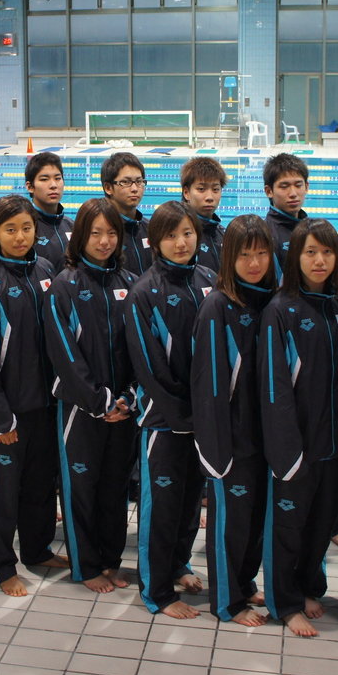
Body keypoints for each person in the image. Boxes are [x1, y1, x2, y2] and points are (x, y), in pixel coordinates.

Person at [0, 195, 68, 596]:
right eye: (10, 230)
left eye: (26, 228)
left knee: (40, 485)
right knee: (3, 493)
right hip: (8, 412)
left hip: (44, 404)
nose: (21, 236)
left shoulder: (44, 270)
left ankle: (38, 549)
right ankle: (1, 565)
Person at [259, 218, 338, 637]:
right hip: (297, 445)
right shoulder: (281, 310)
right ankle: (284, 602)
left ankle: (309, 587)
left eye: (327, 252)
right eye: (310, 252)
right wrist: (286, 451)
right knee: (288, 529)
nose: (319, 260)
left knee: (320, 525)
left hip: (333, 443)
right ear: (295, 257)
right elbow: (274, 387)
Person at [127, 200, 217, 619]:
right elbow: (149, 368)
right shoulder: (144, 293)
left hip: (203, 421)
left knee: (189, 504)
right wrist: (184, 416)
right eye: (170, 236)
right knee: (160, 509)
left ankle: (179, 564)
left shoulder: (208, 280)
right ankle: (157, 591)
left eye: (187, 233)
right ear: (154, 242)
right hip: (163, 422)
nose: (181, 243)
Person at [44, 198, 137, 594]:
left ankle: (111, 559)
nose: (104, 241)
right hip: (80, 410)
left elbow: (139, 350)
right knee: (81, 490)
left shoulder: (130, 283)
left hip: (123, 409)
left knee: (115, 489)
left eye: (112, 233)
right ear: (80, 236)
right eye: (96, 233)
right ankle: (85, 566)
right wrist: (100, 401)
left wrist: (130, 397)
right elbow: (64, 354)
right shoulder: (64, 286)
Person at [192, 215, 275, 626]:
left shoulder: (270, 300)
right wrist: (215, 450)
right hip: (233, 440)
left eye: (261, 253)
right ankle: (227, 602)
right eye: (245, 255)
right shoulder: (218, 307)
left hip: (266, 436)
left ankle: (244, 583)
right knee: (232, 525)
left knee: (254, 521)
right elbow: (208, 385)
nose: (254, 263)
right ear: (229, 258)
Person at [100, 151, 152, 275]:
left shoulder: (150, 229)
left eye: (139, 182)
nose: (134, 189)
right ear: (108, 188)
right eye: (126, 182)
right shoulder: (99, 233)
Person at [263, 153, 310, 275]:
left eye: (298, 185)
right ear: (269, 191)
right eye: (284, 187)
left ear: (306, 187)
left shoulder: (311, 228)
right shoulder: (266, 235)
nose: (293, 193)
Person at [25, 151, 73, 269]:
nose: (53, 185)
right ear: (30, 187)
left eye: (58, 178)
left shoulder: (71, 225)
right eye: (44, 179)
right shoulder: (25, 229)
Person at [180, 157, 228, 273]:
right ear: (186, 193)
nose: (209, 197)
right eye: (201, 189)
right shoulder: (178, 237)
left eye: (215, 189)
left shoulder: (223, 234)